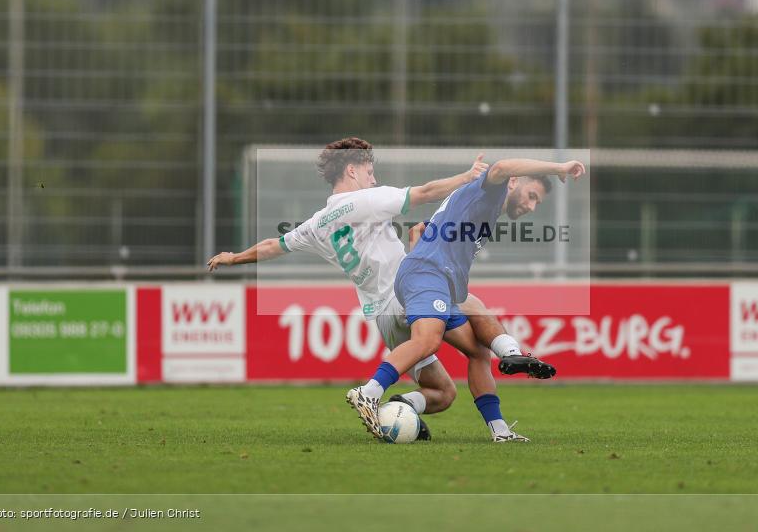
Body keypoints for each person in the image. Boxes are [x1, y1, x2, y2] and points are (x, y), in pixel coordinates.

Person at [208, 138, 555, 441]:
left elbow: (273, 245)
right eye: (369, 171)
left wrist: (234, 257)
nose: (373, 178)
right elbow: (425, 193)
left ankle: (399, 411)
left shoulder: (315, 224)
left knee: (443, 392)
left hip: (383, 317)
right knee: (469, 312)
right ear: (352, 170)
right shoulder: (367, 199)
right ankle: (373, 391)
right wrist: (467, 177)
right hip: (407, 292)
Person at [346, 157, 585, 442]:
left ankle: (500, 430)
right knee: (427, 340)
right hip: (428, 274)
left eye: (537, 203)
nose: (532, 206)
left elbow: (417, 229)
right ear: (513, 183)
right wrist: (559, 168)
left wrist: (420, 257)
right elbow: (501, 167)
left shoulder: (481, 206)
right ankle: (368, 392)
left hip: (436, 280)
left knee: (478, 351)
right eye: (532, 196)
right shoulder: (491, 191)